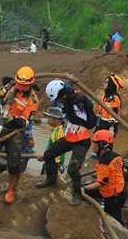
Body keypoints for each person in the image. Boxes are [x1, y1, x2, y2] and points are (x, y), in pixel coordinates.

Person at [38, 77, 98, 205]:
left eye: (58, 98)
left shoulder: (77, 99)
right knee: (49, 154)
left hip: (82, 140)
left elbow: (69, 90)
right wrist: (67, 81)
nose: (58, 101)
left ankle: (77, 194)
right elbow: (66, 89)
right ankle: (51, 180)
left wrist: (69, 81)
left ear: (63, 94)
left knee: (72, 168)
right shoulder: (67, 100)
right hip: (70, 136)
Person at [0, 66, 38, 204]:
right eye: (19, 85)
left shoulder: (32, 101)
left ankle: (11, 191)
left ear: (30, 84)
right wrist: (4, 96)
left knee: (14, 162)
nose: (21, 89)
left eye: (24, 87)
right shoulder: (8, 88)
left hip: (15, 132)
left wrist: (12, 119)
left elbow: (26, 122)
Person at [81, 129, 128, 225]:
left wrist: (84, 188)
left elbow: (102, 182)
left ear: (102, 145)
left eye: (95, 143)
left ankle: (121, 232)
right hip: (121, 189)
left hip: (113, 197)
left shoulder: (103, 162)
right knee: (85, 189)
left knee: (116, 220)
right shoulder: (116, 156)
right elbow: (121, 170)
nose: (93, 146)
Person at [41, 107, 67, 176]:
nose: (48, 119)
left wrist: (43, 157)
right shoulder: (56, 130)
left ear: (57, 119)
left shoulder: (59, 132)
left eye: (50, 117)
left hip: (54, 163)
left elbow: (56, 150)